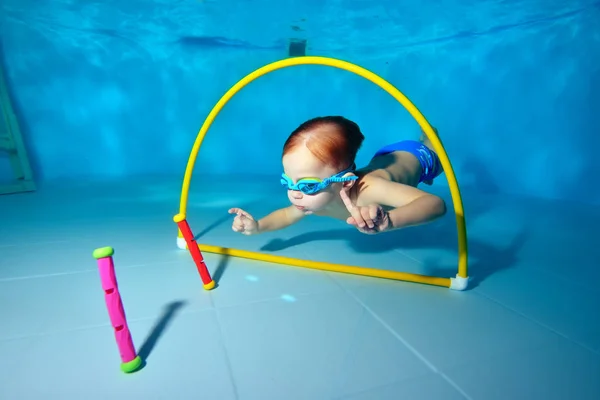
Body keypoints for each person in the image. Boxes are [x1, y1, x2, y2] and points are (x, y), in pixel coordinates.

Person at [229, 116, 447, 235]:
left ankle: (429, 136)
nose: (295, 195)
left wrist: (390, 220)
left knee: (434, 158)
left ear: (346, 181)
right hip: (383, 157)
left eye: (308, 186)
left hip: (418, 158)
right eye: (288, 182)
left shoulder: (370, 189)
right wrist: (258, 226)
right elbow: (286, 216)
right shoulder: (310, 200)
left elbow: (435, 204)